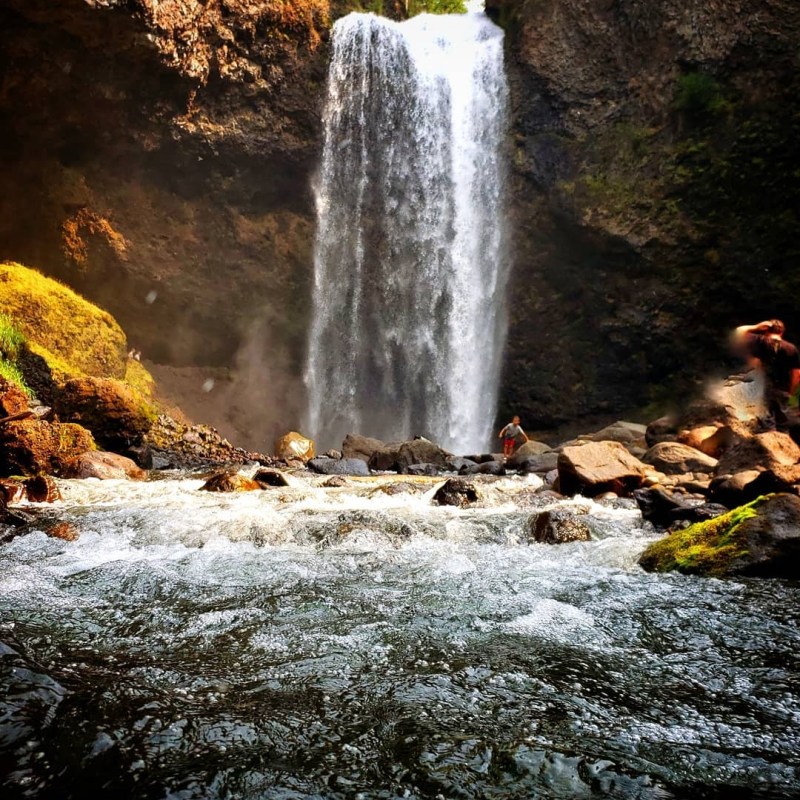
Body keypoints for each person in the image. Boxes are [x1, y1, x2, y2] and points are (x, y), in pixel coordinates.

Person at [732, 319, 800, 431]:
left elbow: (738, 332)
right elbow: (797, 375)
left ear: (766, 329)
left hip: (760, 390)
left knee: (764, 428)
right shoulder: (791, 349)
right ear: (782, 332)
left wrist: (756, 326)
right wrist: (793, 398)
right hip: (782, 392)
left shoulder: (758, 340)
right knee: (783, 427)